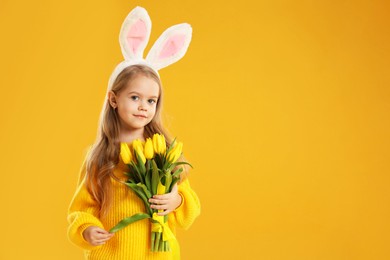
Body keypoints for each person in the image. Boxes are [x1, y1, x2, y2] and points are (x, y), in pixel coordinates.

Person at [67, 6, 200, 260]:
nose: (143, 106)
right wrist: (87, 229)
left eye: (151, 101)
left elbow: (189, 199)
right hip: (113, 254)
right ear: (114, 99)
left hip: (157, 254)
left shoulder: (162, 151)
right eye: (135, 97)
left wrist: (177, 200)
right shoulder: (99, 157)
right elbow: (81, 208)